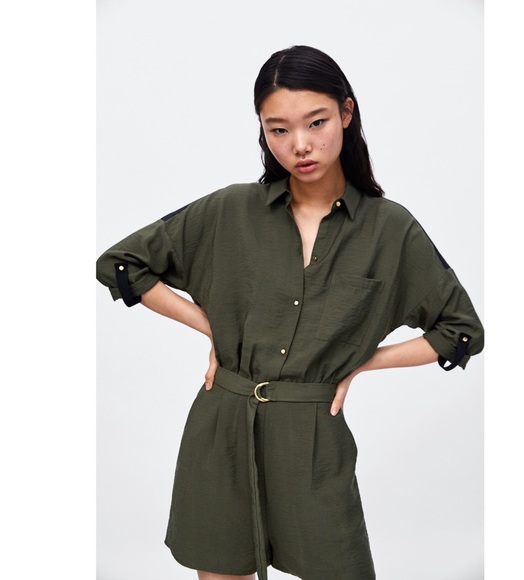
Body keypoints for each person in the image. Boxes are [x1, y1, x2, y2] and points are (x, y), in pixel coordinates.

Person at [96, 45, 484, 580]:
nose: (299, 144)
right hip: (222, 428)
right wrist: (212, 327)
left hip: (313, 438)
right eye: (277, 129)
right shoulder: (230, 210)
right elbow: (121, 264)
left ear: (346, 113)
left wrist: (361, 362)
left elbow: (461, 331)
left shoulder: (390, 230)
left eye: (316, 122)